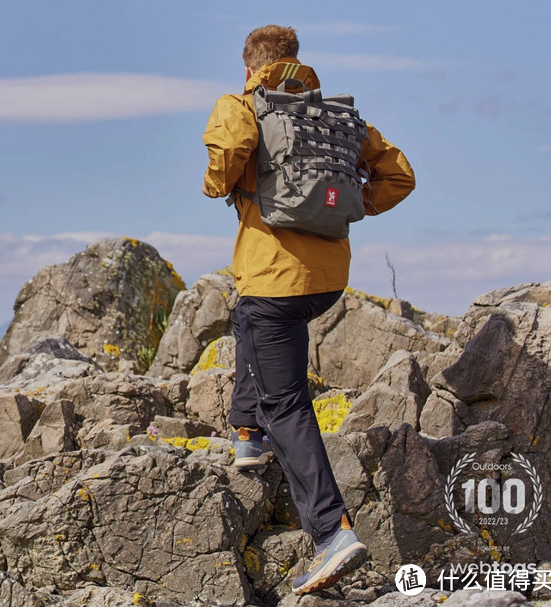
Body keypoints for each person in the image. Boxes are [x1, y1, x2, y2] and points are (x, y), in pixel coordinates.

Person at [201, 25, 415, 595]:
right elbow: (400, 175)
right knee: (247, 314)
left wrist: (220, 179)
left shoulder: (241, 103)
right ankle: (247, 433)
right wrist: (352, 205)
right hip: (327, 281)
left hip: (277, 279)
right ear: (296, 62)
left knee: (288, 401)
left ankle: (330, 532)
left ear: (250, 68)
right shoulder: (336, 118)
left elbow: (223, 161)